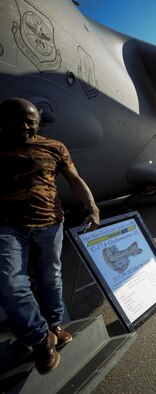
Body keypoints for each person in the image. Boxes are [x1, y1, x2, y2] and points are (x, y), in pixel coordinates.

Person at [0, 98, 100, 374]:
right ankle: (41, 338)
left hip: (50, 224)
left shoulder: (54, 147)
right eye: (16, 121)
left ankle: (55, 324)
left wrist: (91, 206)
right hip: (8, 227)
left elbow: (74, 179)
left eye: (29, 121)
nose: (23, 126)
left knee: (50, 277)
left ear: (38, 122)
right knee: (11, 284)